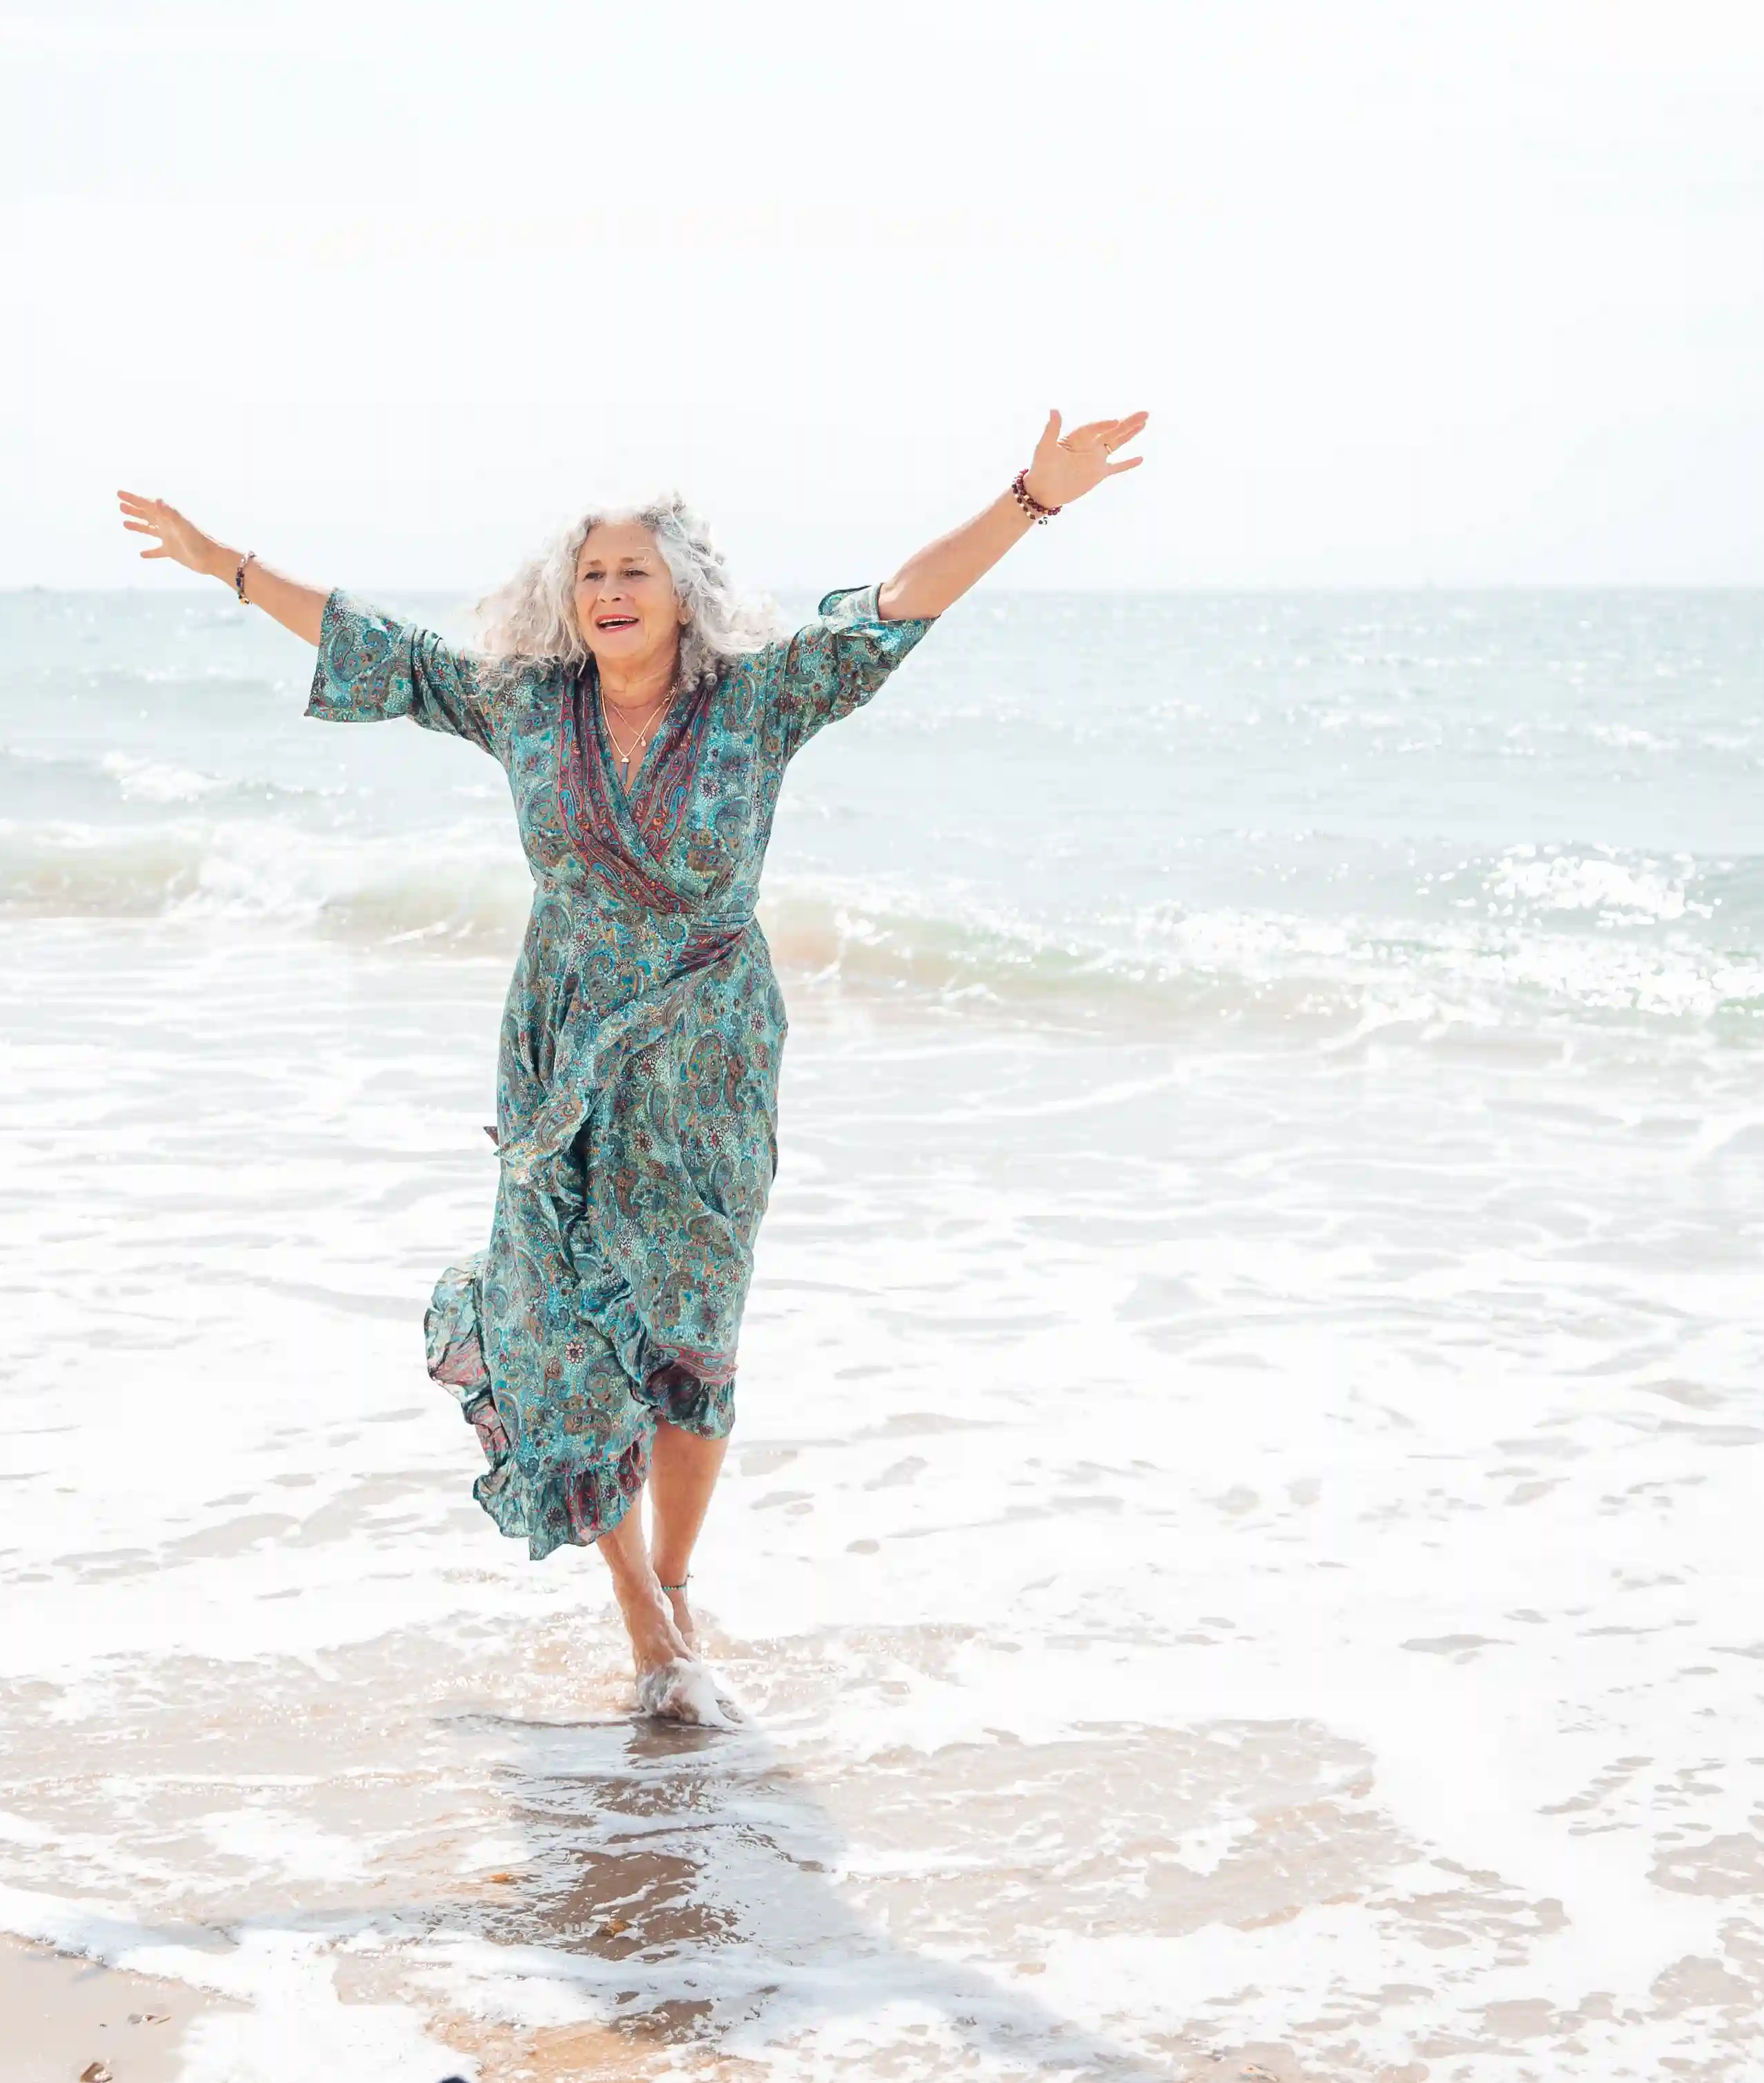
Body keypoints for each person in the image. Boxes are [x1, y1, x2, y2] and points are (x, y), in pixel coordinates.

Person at [118, 409, 1145, 1722]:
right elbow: (383, 647)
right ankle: (641, 1616)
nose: (609, 590)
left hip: (711, 1055)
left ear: (684, 596)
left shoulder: (763, 699)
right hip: (558, 1051)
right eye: (591, 572)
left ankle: (676, 1579)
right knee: (554, 1318)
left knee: (696, 1341)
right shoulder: (526, 705)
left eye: (634, 571)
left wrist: (1029, 498)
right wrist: (228, 566)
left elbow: (898, 607)